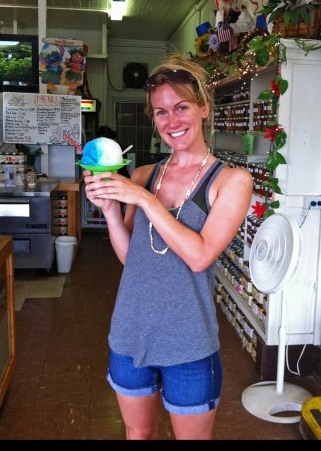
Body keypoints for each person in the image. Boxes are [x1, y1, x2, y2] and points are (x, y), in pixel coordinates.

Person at [83, 54, 253, 439]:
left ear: (203, 108)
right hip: (130, 333)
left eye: (181, 107)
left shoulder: (231, 181)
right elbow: (131, 258)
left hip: (189, 342)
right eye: (160, 112)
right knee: (137, 434)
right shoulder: (144, 175)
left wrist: (144, 201)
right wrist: (111, 210)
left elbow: (200, 256)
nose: (171, 122)